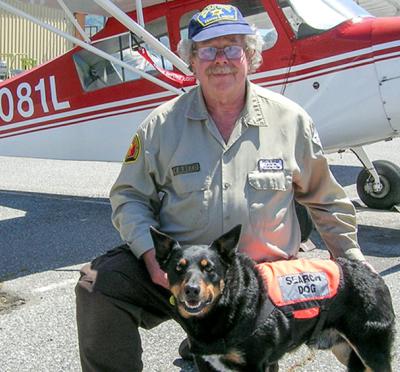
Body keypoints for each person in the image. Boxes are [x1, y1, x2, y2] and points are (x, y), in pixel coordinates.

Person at [75, 4, 370, 371]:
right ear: (192, 61)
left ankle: (208, 340)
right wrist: (151, 256)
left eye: (231, 47)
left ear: (249, 55)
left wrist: (353, 264)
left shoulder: (290, 120)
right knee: (97, 285)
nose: (220, 60)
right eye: (207, 50)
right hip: (177, 272)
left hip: (260, 282)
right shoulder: (161, 126)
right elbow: (129, 196)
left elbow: (326, 199)